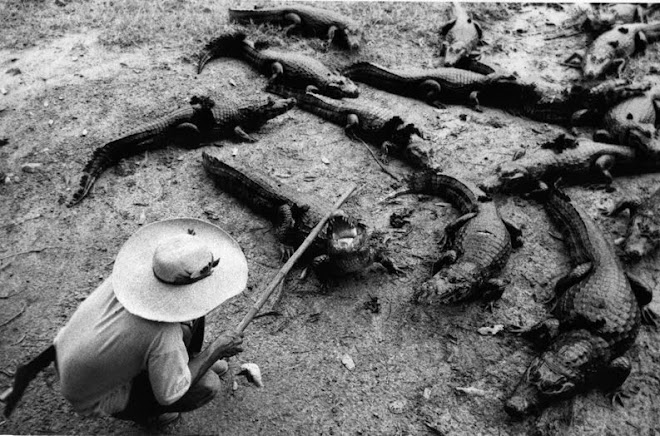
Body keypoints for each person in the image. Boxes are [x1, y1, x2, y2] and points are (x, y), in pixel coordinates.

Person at [53, 218, 250, 426]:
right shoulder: (163, 335)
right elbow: (169, 395)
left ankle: (183, 362)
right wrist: (215, 350)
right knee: (207, 385)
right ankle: (148, 415)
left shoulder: (128, 282)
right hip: (93, 394)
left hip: (69, 352)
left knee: (192, 316)